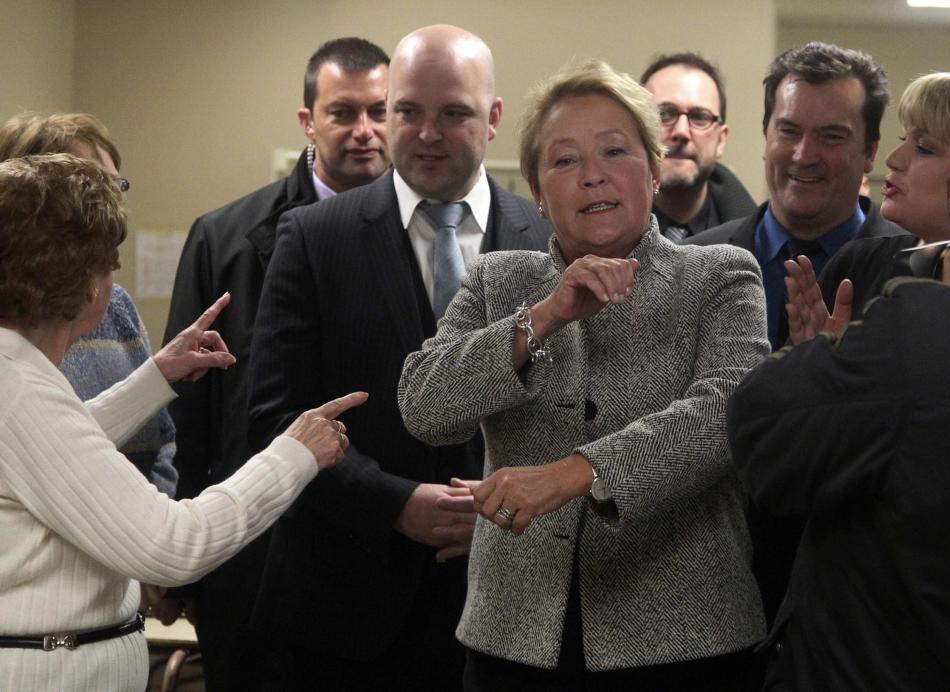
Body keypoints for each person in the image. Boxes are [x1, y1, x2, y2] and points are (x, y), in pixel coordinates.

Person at [398, 59, 767, 691]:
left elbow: (725, 415)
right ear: (537, 191)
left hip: (686, 640)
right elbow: (423, 408)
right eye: (564, 160)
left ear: (653, 169)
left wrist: (577, 473)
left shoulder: (721, 275)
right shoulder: (498, 280)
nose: (592, 174)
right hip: (512, 643)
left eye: (615, 151)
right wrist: (543, 316)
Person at [246, 24, 552, 690]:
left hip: (510, 616)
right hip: (344, 616)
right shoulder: (313, 238)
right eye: (407, 112)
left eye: (454, 114)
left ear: (494, 118)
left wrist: (507, 513)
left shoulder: (547, 239)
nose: (427, 133)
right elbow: (272, 415)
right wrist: (393, 504)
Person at [0, 153, 365, 691]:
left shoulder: (18, 376)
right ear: (83, 286)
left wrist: (156, 378)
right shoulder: (20, 388)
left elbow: (59, 454)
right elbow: (175, 546)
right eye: (109, 265)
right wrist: (294, 453)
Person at [161, 37, 389, 690]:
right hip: (255, 554)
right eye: (344, 112)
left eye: (380, 110)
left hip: (387, 554)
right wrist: (185, 567)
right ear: (307, 122)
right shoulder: (225, 237)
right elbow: (190, 411)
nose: (365, 131)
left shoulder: (437, 236)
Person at [728, 74, 950, 688]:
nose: (898, 159)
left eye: (928, 148)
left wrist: (819, 388)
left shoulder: (913, 319)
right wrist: (815, 369)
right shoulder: (866, 267)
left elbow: (761, 426)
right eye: (906, 140)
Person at [685, 42, 908, 628]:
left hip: (857, 613)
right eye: (788, 130)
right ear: (765, 135)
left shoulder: (917, 276)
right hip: (704, 612)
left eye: (832, 136)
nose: (804, 155)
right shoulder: (690, 267)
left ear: (870, 152)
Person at [0, 112, 177, 497]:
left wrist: (154, 508)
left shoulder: (117, 307)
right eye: (94, 183)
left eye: (117, 184)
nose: (113, 201)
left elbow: (159, 439)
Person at [787, 71, 950, 335]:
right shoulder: (856, 264)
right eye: (905, 140)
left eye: (924, 148)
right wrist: (817, 361)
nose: (892, 159)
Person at [640, 53, 755, 242]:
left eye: (700, 117)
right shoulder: (590, 232)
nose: (681, 132)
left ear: (721, 140)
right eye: (664, 114)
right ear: (636, 128)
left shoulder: (756, 242)